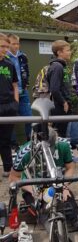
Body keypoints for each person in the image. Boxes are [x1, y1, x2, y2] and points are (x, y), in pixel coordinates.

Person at [8, 126, 78, 229]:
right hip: (33, 187)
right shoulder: (24, 151)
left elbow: (70, 168)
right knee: (44, 213)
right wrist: (33, 190)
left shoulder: (64, 144)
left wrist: (64, 185)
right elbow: (13, 177)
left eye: (50, 148)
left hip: (57, 183)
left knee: (72, 210)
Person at [6, 34, 32, 146]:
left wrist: (26, 83)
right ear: (8, 44)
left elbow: (26, 71)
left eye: (18, 43)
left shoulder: (23, 56)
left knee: (29, 118)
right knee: (11, 119)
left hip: (23, 92)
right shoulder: (5, 57)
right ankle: (13, 144)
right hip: (10, 93)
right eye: (13, 44)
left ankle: (28, 141)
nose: (16, 46)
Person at [0, 33, 19, 178]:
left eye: (6, 46)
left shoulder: (10, 64)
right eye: (2, 46)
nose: (5, 49)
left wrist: (16, 102)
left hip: (9, 106)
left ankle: (8, 168)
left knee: (6, 139)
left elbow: (15, 85)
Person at [46, 40, 72, 137]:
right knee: (59, 134)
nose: (70, 52)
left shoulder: (61, 66)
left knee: (62, 133)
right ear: (59, 52)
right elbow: (54, 89)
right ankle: (57, 152)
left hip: (63, 104)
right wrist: (63, 102)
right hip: (59, 106)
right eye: (68, 50)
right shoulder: (57, 67)